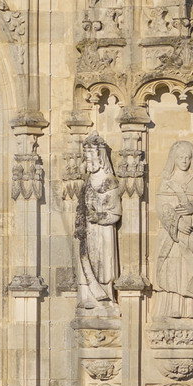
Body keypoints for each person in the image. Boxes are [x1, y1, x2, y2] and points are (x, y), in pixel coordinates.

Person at [153, 141, 193, 321]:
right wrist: (176, 223)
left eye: (187, 158)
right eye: (181, 158)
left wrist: (192, 210)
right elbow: (161, 207)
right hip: (172, 234)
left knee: (192, 267)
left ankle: (192, 306)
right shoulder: (167, 182)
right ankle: (172, 308)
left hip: (192, 232)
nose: (184, 161)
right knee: (172, 269)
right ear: (174, 159)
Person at [75, 133, 121, 315]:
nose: (89, 160)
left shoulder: (109, 181)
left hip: (102, 233)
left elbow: (115, 212)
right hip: (87, 231)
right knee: (86, 260)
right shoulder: (87, 181)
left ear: (101, 158)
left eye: (92, 156)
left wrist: (99, 216)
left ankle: (105, 297)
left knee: (103, 265)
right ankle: (87, 297)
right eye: (86, 157)